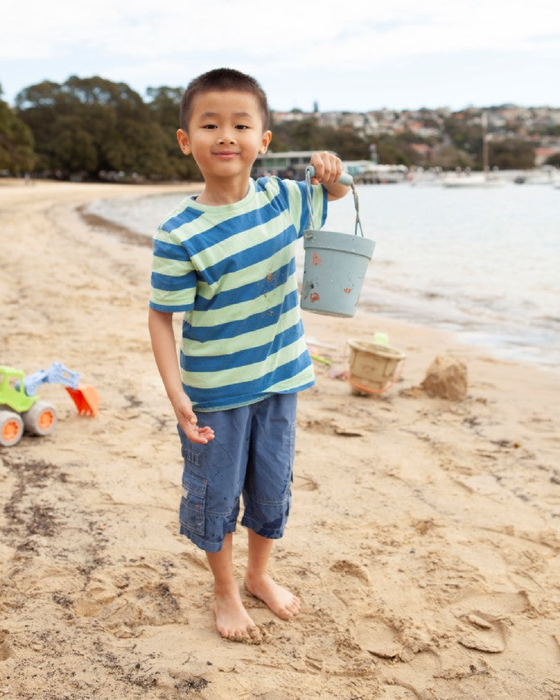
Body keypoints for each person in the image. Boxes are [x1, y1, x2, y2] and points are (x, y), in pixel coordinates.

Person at [148, 68, 349, 641]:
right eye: (210, 124)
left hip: (282, 379)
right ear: (187, 141)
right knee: (215, 494)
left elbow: (338, 194)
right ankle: (225, 590)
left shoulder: (284, 200)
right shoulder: (180, 231)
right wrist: (176, 393)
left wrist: (336, 172)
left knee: (270, 485)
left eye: (241, 124)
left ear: (263, 140)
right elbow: (162, 317)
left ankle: (260, 575)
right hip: (214, 390)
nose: (226, 135)